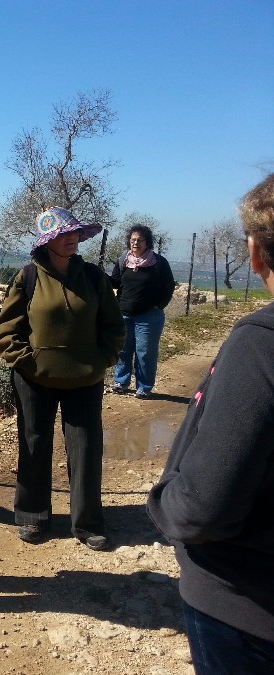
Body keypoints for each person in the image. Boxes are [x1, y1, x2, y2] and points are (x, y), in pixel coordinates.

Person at [147, 174, 274, 674]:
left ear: (255, 252)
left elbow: (204, 507)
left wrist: (164, 506)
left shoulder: (261, 345)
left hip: (247, 606)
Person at [0, 207, 124, 551]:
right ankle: (32, 516)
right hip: (34, 379)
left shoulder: (94, 278)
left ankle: (87, 523)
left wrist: (101, 360)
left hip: (84, 379)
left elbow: (113, 327)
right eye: (63, 234)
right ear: (47, 242)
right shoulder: (28, 277)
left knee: (86, 449)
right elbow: (7, 330)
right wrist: (28, 363)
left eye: (76, 233)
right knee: (34, 445)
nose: (72, 238)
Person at [109, 224, 176, 399]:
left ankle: (144, 387)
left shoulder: (158, 263)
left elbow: (168, 286)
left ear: (147, 242)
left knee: (145, 352)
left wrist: (159, 305)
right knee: (123, 349)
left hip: (148, 316)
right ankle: (121, 382)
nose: (135, 243)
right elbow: (115, 282)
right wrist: (98, 277)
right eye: (133, 240)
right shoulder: (124, 259)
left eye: (140, 240)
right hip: (123, 313)